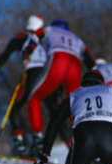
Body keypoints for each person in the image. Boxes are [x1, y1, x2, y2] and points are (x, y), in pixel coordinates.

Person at [25, 18, 96, 153]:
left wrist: (29, 50)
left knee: (34, 98)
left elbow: (35, 36)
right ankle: (86, 142)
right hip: (75, 65)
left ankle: (37, 140)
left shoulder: (48, 30)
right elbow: (91, 61)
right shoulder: (77, 38)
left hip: (58, 61)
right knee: (76, 106)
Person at [0, 15, 49, 155]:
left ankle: (21, 143)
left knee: (16, 105)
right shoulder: (46, 37)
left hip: (33, 73)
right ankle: (53, 143)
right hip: (49, 75)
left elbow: (8, 51)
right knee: (54, 107)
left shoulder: (23, 37)